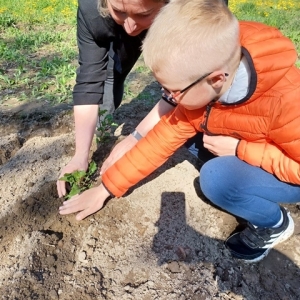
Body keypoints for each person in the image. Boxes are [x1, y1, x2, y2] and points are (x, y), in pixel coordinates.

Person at [59, 0, 300, 263]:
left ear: (216, 79)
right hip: (258, 146)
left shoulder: (288, 103)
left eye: (175, 92)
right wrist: (106, 188)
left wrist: (241, 150)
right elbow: (161, 141)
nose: (169, 98)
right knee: (194, 141)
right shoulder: (205, 82)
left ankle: (273, 223)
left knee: (217, 179)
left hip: (291, 168)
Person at [56, 0, 229, 197]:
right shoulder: (93, 11)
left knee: (192, 94)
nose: (130, 27)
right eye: (119, 11)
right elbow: (90, 78)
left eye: (142, 14)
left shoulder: (195, 12)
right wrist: (80, 156)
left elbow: (185, 88)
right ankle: (100, 128)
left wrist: (136, 137)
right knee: (112, 74)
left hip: (179, 24)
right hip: (132, 17)